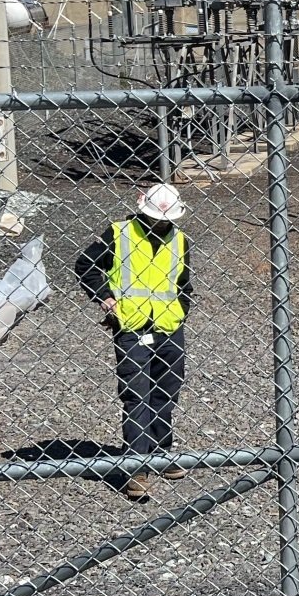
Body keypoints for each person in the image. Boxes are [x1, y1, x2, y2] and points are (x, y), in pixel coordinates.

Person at [75, 183, 194, 501]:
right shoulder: (119, 233)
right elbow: (85, 265)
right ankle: (136, 467)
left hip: (169, 326)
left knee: (166, 392)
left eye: (165, 219)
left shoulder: (179, 239)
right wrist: (104, 297)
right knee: (137, 396)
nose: (160, 223)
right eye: (156, 218)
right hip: (131, 326)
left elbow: (183, 282)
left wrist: (182, 309)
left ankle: (160, 453)